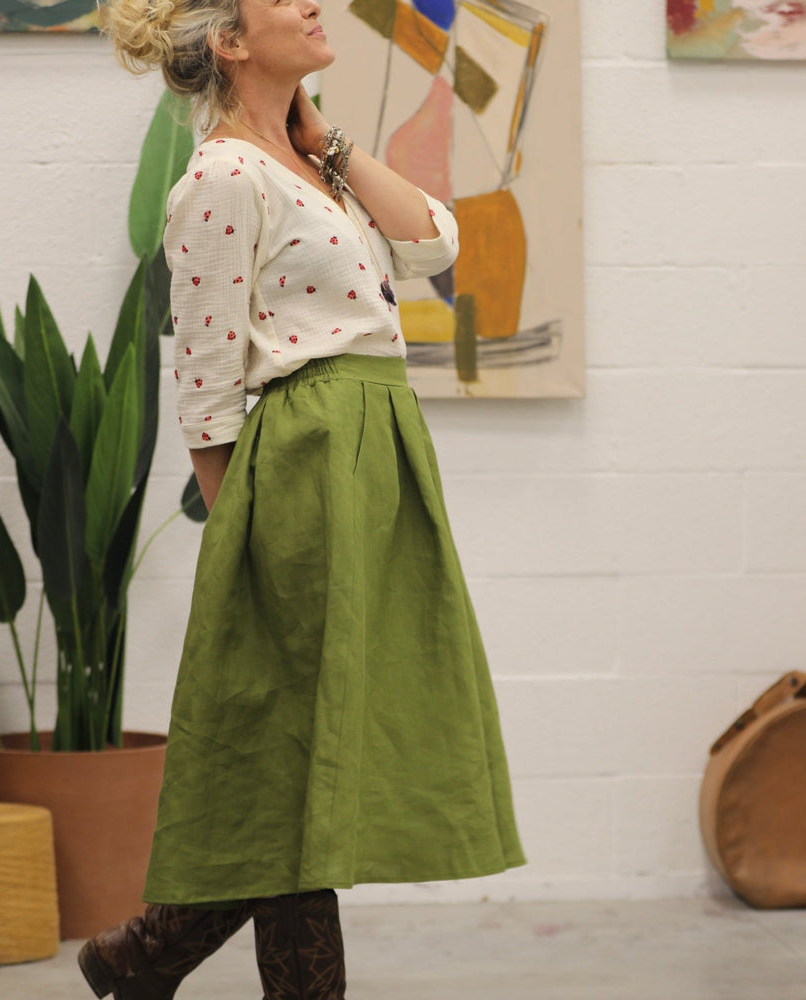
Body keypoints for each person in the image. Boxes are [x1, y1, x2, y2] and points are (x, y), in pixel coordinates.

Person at [78, 2, 525, 998]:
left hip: (375, 460)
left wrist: (331, 145)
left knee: (316, 745)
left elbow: (436, 243)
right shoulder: (221, 178)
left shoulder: (308, 165)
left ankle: (144, 955)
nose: (314, 2)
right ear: (231, 42)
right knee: (294, 751)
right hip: (303, 466)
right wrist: (239, 543)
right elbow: (203, 381)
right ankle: (160, 960)